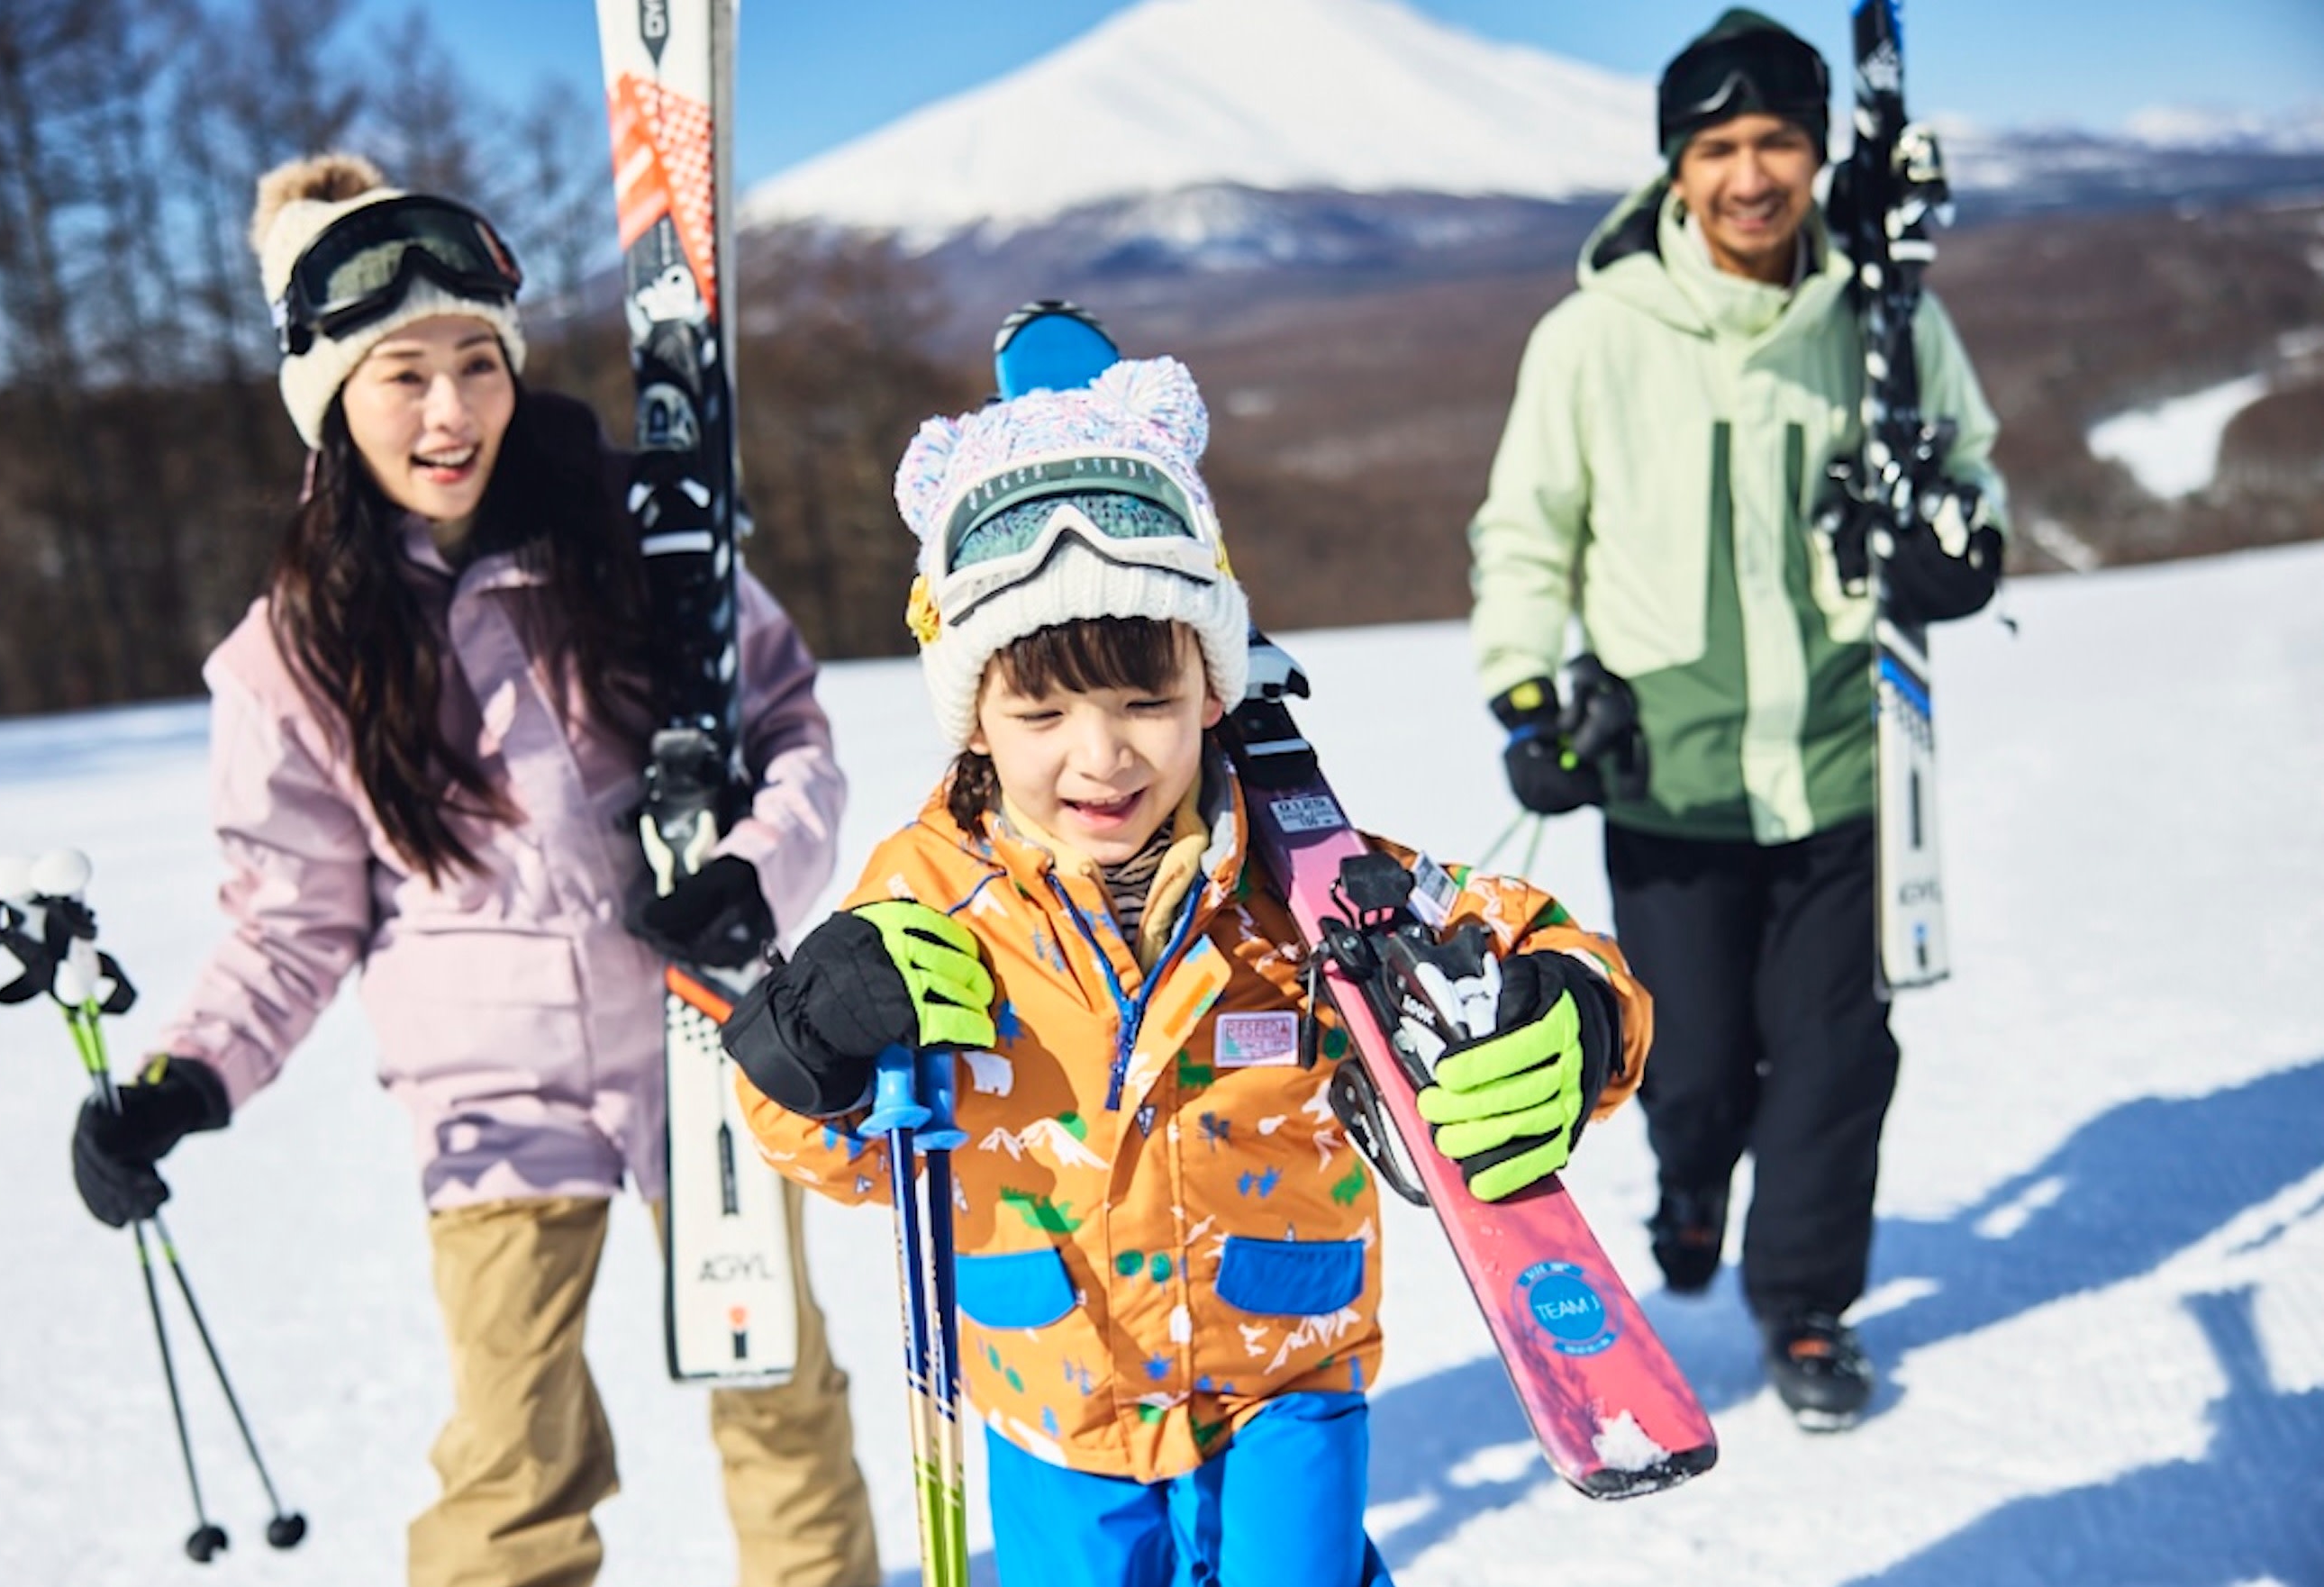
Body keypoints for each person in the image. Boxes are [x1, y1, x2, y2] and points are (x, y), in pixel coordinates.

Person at [62, 152, 881, 1587]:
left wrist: (755, 873)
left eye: (476, 364)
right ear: (329, 400)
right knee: (514, 1443)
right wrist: (189, 1072)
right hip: (487, 1086)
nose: (451, 412)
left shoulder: (644, 536)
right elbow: (291, 918)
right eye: (402, 374)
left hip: (703, 1037)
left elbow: (795, 729)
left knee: (777, 1392)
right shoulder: (295, 650)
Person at [722, 356, 1653, 1585]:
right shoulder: (928, 892)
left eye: (1142, 701)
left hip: (1285, 1362)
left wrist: (1575, 1011)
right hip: (1050, 1382)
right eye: (1042, 716)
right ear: (976, 717)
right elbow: (839, 1145)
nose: (1100, 758)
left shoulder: (1307, 875)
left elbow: (1516, 930)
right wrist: (810, 1042)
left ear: (1207, 692)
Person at [1466, 7, 2008, 1432]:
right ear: (1675, 168)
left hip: (1847, 763)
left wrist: (1967, 542)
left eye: (1778, 141)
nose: (1752, 174)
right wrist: (1527, 688)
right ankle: (1692, 1176)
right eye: (1720, 147)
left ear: (1821, 154)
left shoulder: (1885, 317)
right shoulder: (1595, 336)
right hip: (1671, 776)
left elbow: (1966, 464)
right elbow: (1527, 530)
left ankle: (1806, 1303)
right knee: (1692, 1058)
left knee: (1838, 1055)